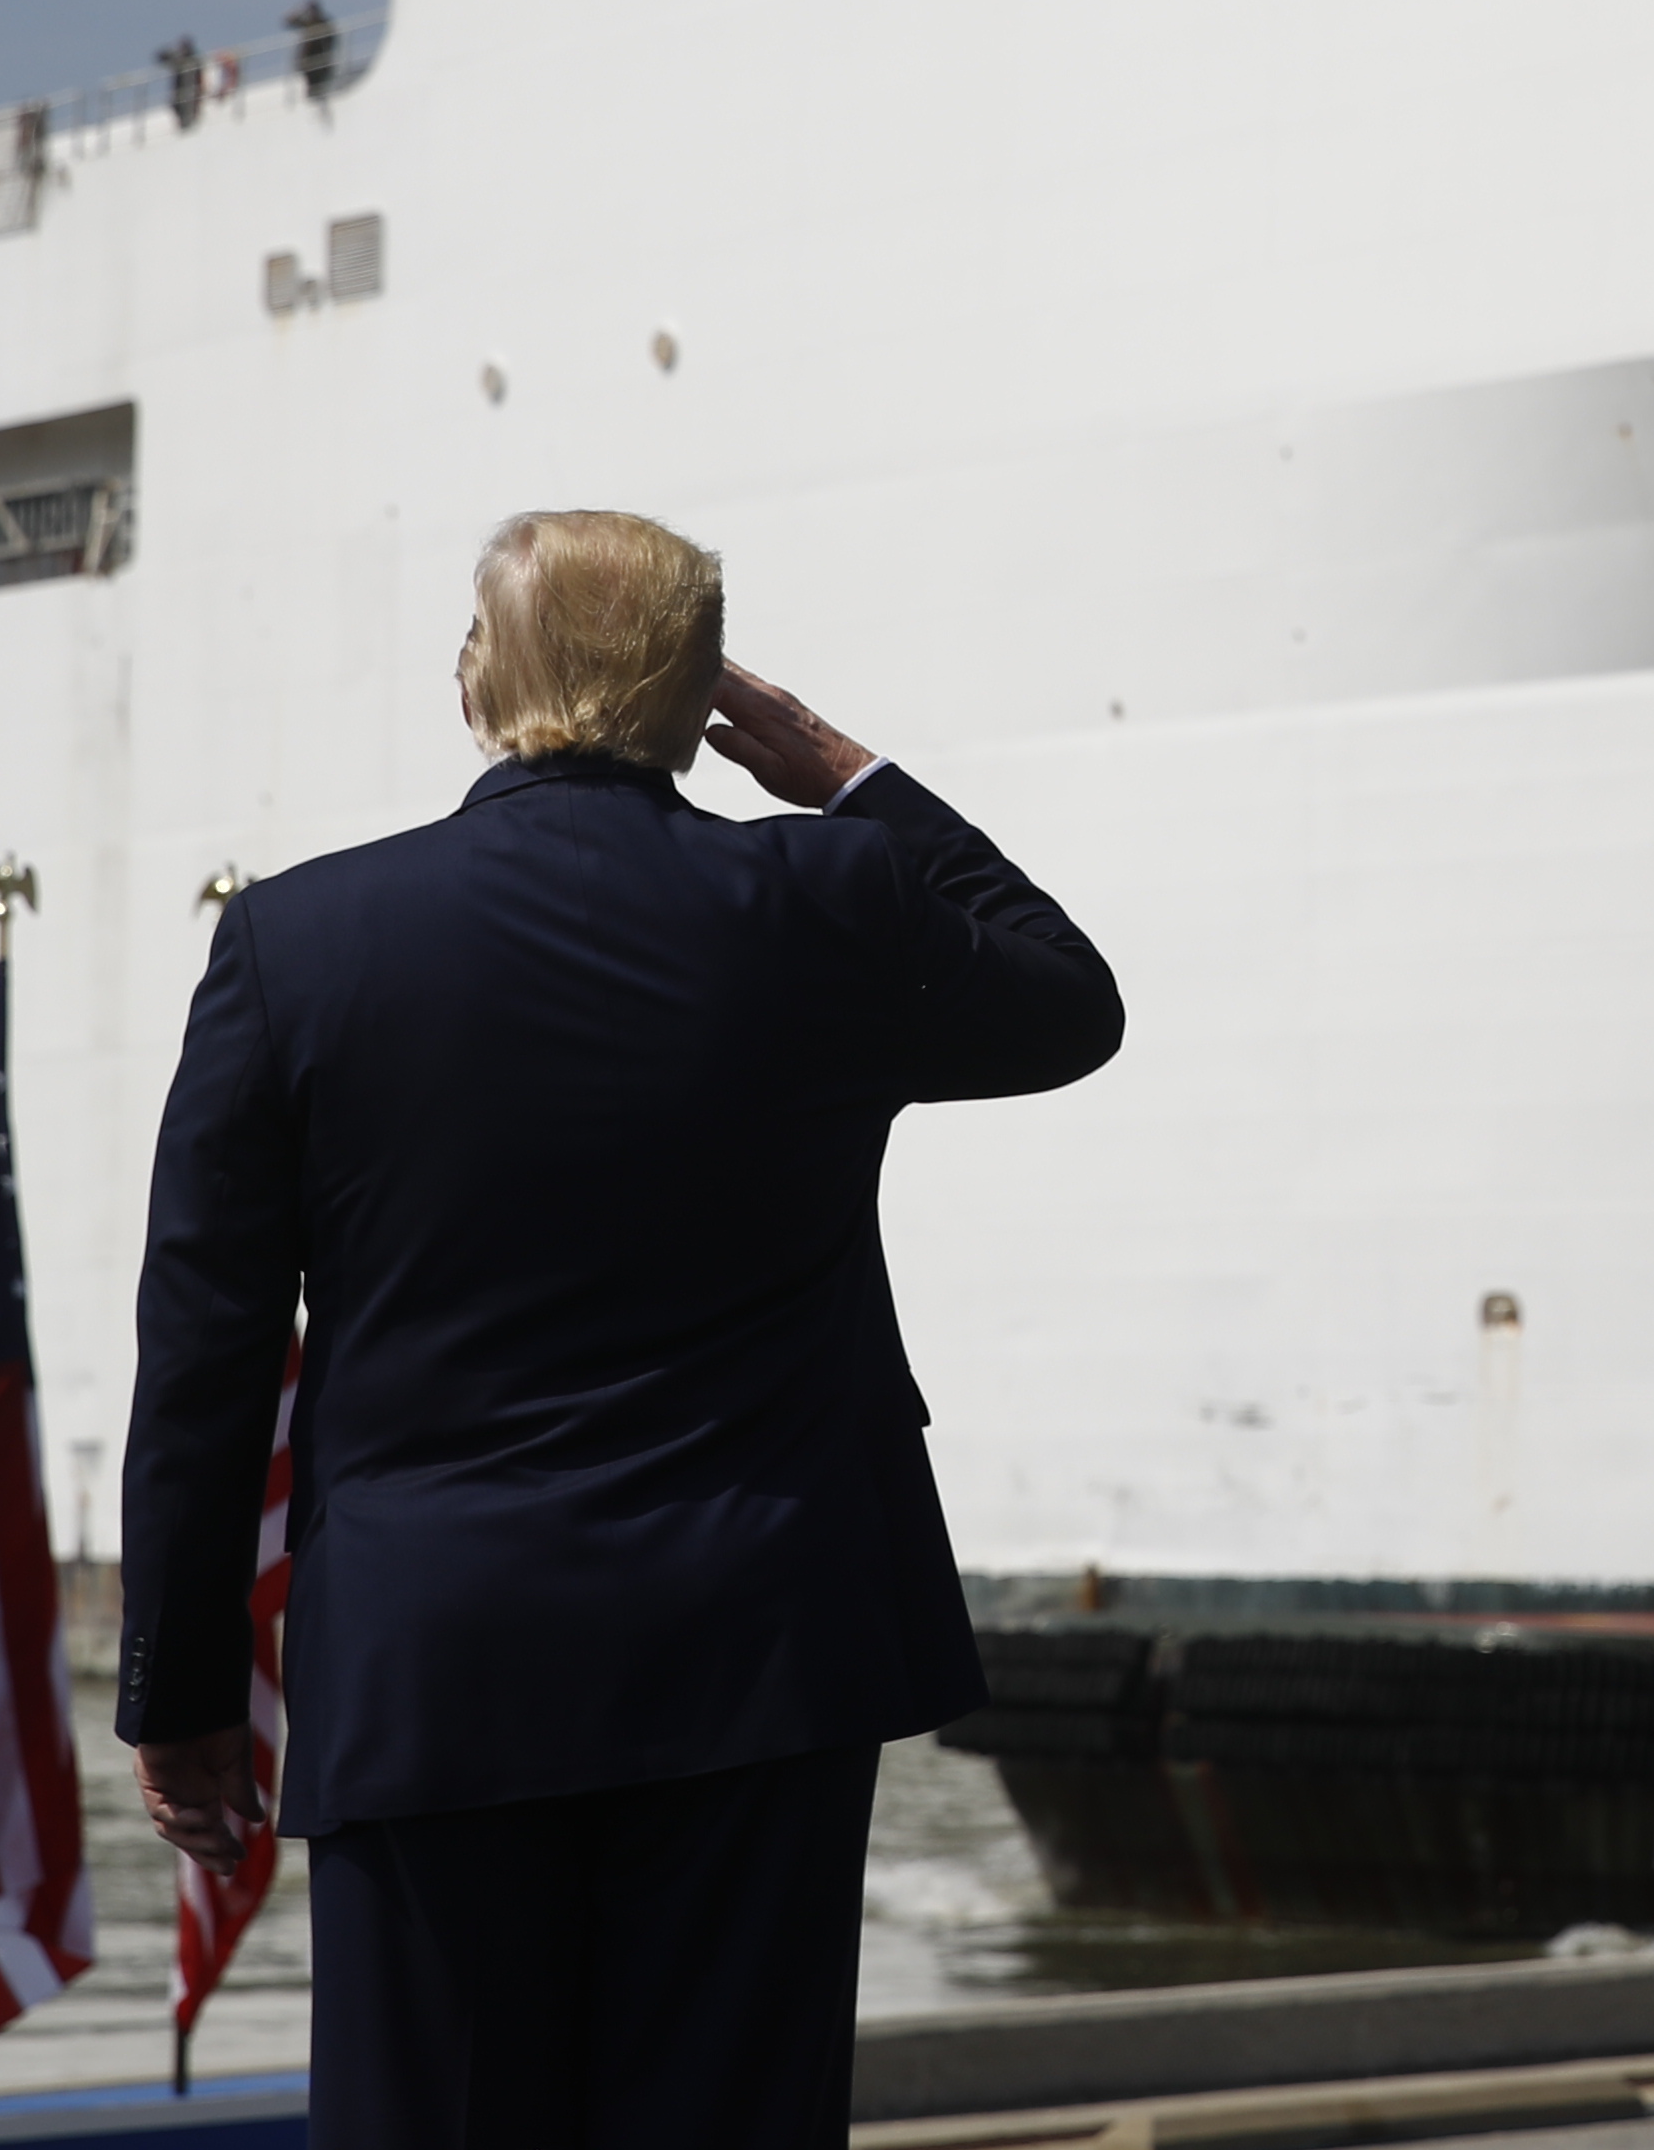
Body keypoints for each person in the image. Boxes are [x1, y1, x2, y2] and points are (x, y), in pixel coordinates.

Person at [118, 508, 1120, 2146]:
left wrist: (179, 1682)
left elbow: (209, 1345)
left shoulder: (299, 943)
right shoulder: (825, 900)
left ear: (475, 684)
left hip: (434, 1657)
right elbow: (1070, 1001)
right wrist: (853, 780)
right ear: (700, 694)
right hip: (764, 1643)